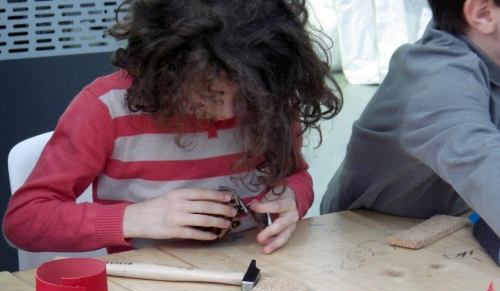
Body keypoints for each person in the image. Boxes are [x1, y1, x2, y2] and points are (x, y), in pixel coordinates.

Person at [3, 0, 342, 256]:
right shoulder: (105, 107)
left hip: (252, 273)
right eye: (209, 94)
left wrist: (292, 199)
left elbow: (296, 176)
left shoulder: (269, 94)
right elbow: (24, 221)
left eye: (245, 96)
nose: (227, 112)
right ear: (166, 68)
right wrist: (132, 219)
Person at [320, 0, 500, 241]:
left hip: (449, 218)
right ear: (483, 13)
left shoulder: (489, 54)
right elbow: (487, 169)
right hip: (368, 238)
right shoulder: (441, 82)